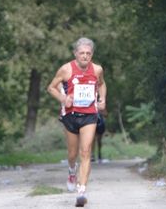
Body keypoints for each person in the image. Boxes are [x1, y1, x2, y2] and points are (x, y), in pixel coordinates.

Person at [47, 37, 107, 207]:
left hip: (89, 114)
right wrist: (63, 97)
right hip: (70, 115)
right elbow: (51, 87)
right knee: (72, 154)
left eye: (88, 53)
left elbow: (102, 84)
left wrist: (102, 99)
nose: (85, 56)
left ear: (92, 54)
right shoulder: (66, 69)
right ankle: (72, 171)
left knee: (86, 151)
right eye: (82, 53)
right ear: (75, 54)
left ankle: (82, 190)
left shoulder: (97, 70)